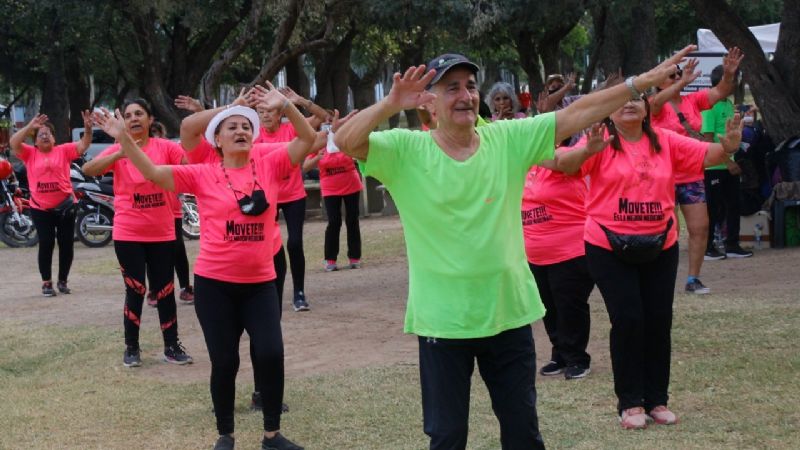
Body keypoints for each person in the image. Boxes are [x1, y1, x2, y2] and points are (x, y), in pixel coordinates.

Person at [334, 47, 696, 449]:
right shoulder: (405, 150)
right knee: (447, 436)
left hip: (507, 315)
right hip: (442, 321)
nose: (465, 95)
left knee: (523, 432)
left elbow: (575, 114)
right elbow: (346, 141)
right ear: (429, 101)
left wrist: (639, 84)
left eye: (470, 86)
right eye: (451, 88)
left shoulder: (505, 139)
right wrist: (390, 102)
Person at [96, 84, 314, 450]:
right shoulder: (202, 172)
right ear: (218, 141)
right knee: (225, 361)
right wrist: (124, 142)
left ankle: (272, 436)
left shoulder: (271, 161)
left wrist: (288, 107)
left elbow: (308, 139)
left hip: (261, 283)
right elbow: (151, 171)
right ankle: (225, 435)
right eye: (232, 128)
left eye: (246, 127)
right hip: (215, 286)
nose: (241, 131)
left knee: (271, 352)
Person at [560, 95, 742, 429]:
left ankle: (656, 399)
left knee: (658, 320)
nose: (628, 104)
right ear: (606, 108)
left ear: (647, 107)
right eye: (620, 99)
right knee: (628, 318)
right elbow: (567, 163)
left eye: (636, 99)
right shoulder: (599, 139)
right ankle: (630, 403)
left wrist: (728, 145)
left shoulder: (666, 141)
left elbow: (710, 154)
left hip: (661, 243)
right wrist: (588, 149)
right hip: (606, 244)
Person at [83, 98, 192, 368]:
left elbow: (190, 163)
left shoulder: (166, 147)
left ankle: (172, 346)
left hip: (163, 233)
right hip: (128, 233)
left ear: (150, 120)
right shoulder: (117, 150)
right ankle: (131, 348)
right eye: (129, 115)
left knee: (165, 290)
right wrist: (121, 152)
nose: (133, 118)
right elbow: (88, 170)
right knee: (135, 290)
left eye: (139, 114)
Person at [649, 47, 744, 294]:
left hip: (691, 173)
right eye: (671, 75)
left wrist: (728, 74)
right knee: (661, 231)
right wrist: (679, 84)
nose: (677, 76)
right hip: (663, 175)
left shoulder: (692, 101)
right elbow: (657, 102)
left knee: (700, 227)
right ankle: (656, 279)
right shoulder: (653, 104)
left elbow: (721, 91)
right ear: (657, 82)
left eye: (677, 73)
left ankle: (693, 279)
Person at [253, 86, 329, 312]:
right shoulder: (254, 136)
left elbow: (325, 117)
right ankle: (270, 292)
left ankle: (299, 292)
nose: (265, 115)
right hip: (268, 197)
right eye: (260, 111)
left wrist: (300, 101)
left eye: (269, 110)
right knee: (268, 247)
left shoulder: (290, 130)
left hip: (293, 195)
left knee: (295, 243)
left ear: (279, 113)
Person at [522, 162, 595, 380]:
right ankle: (560, 353)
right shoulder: (526, 164)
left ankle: (577, 358)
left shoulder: (562, 162)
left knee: (569, 305)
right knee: (548, 306)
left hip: (570, 249)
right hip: (535, 252)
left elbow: (574, 160)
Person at [9, 111, 93, 296]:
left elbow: (84, 144)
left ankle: (63, 280)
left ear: (54, 139)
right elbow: (14, 142)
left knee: (66, 244)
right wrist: (30, 127)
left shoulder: (63, 151)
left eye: (48, 133)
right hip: (41, 208)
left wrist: (88, 129)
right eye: (41, 134)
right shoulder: (29, 153)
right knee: (46, 242)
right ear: (35, 141)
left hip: (65, 207)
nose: (45, 136)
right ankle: (46, 282)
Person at [701, 65, 753, 260]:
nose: (735, 85)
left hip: (729, 166)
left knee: (733, 205)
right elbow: (706, 141)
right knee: (713, 209)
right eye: (732, 80)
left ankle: (732, 244)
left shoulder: (729, 105)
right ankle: (707, 247)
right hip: (714, 168)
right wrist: (726, 161)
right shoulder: (708, 105)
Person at [302, 112, 362, 272]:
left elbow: (359, 153)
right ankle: (330, 259)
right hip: (330, 187)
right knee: (334, 222)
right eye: (326, 121)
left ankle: (355, 257)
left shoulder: (344, 137)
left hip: (351, 183)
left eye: (332, 121)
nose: (329, 124)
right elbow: (305, 166)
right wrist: (318, 157)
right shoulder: (319, 141)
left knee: (352, 219)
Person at [149, 119, 195, 304]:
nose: (155, 136)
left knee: (177, 249)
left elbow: (186, 163)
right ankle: (154, 289)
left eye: (157, 133)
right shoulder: (137, 150)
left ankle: (185, 287)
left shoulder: (167, 148)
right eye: (152, 133)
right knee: (152, 253)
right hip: (150, 212)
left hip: (171, 209)